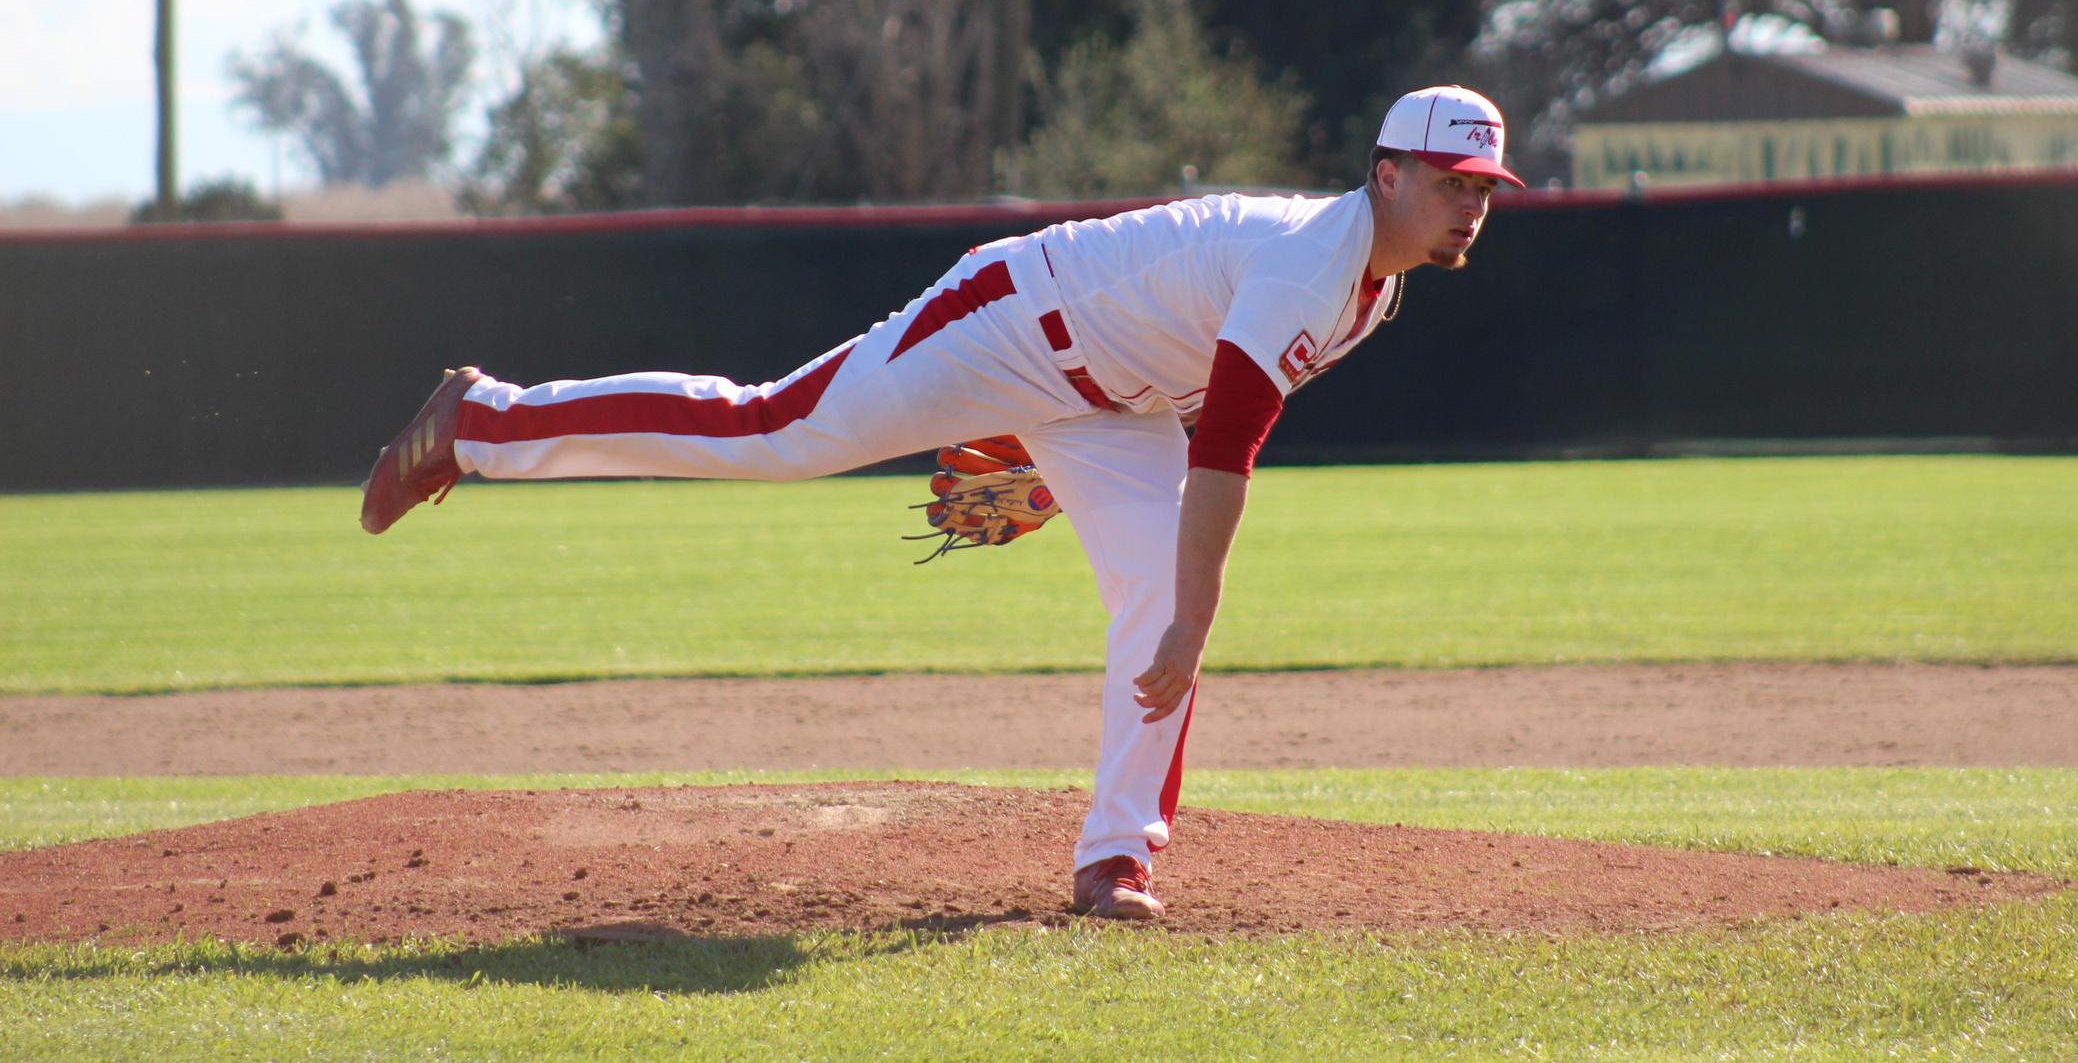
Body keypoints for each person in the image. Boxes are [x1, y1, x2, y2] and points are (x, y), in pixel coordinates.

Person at [359, 84, 1523, 920]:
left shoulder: (1375, 290)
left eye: (1483, 189)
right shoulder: (1311, 262)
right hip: (1006, 322)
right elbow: (1226, 445)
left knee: (1159, 594)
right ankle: (485, 421)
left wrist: (1056, 467)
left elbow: (1193, 387)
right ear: (1386, 174)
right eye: (1450, 182)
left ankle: (1116, 859)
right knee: (776, 430)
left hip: (1106, 401)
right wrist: (1188, 607)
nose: (1469, 206)